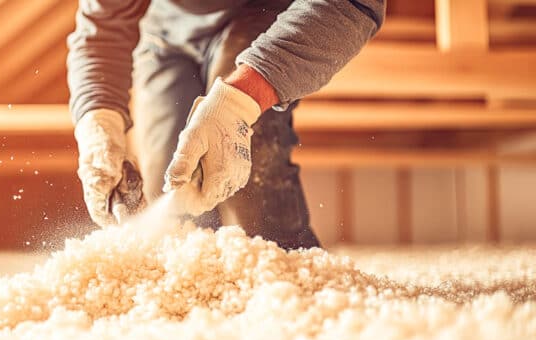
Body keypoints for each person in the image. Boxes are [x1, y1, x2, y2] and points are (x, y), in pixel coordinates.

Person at [67, 0, 385, 249]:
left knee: (245, 168)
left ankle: (289, 278)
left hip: (270, 14)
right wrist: (98, 121)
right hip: (164, 31)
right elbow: (101, 26)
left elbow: (353, 2)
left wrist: (240, 102)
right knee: (168, 192)